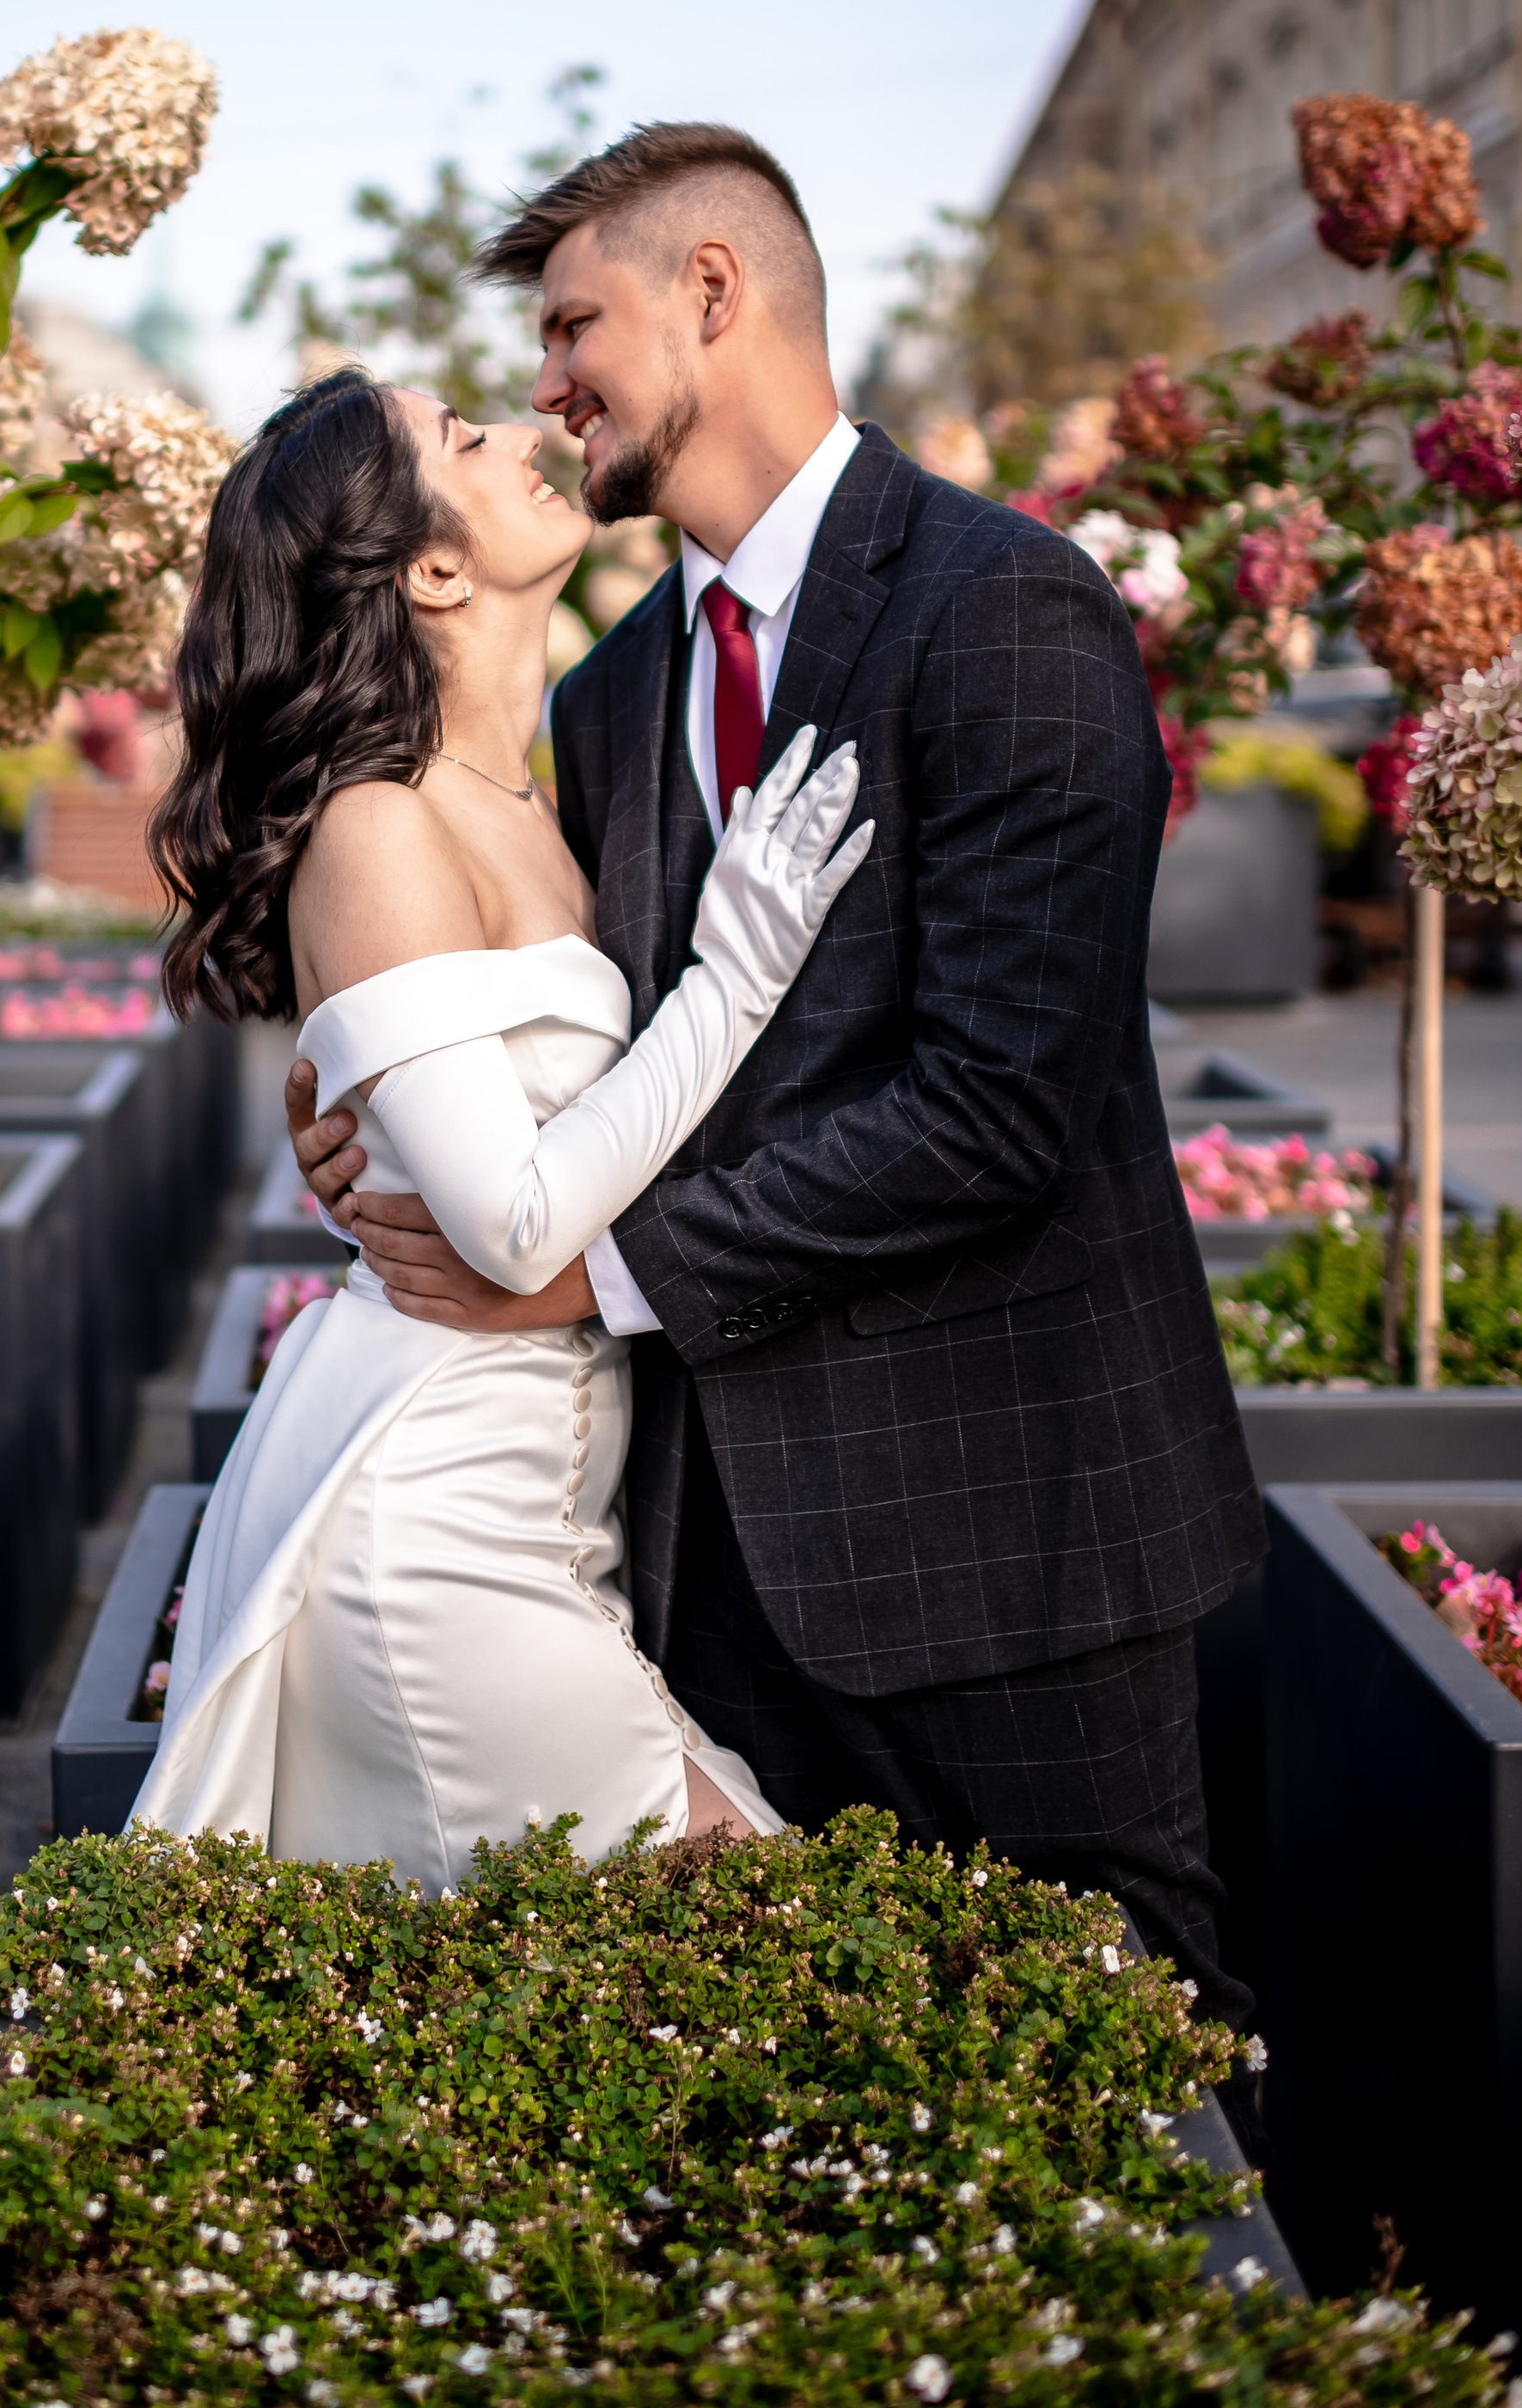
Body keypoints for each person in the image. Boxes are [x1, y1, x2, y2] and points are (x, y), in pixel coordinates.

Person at [288, 119, 1264, 2018]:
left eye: (575, 322)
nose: (547, 384)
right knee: (773, 2107)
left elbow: (1000, 1104)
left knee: (1125, 2051)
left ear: (711, 292)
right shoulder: (601, 694)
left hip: (1010, 1542)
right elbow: (523, 1012)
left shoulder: (1006, 608)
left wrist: (597, 1270)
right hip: (703, 1572)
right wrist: (371, 1108)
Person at [135, 364, 872, 1889]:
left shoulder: (543, 792)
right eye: (462, 441)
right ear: (433, 566)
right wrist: (733, 981)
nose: (524, 433)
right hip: (433, 1524)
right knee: (731, 1933)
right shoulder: (377, 821)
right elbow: (517, 1223)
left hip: (550, 1508)